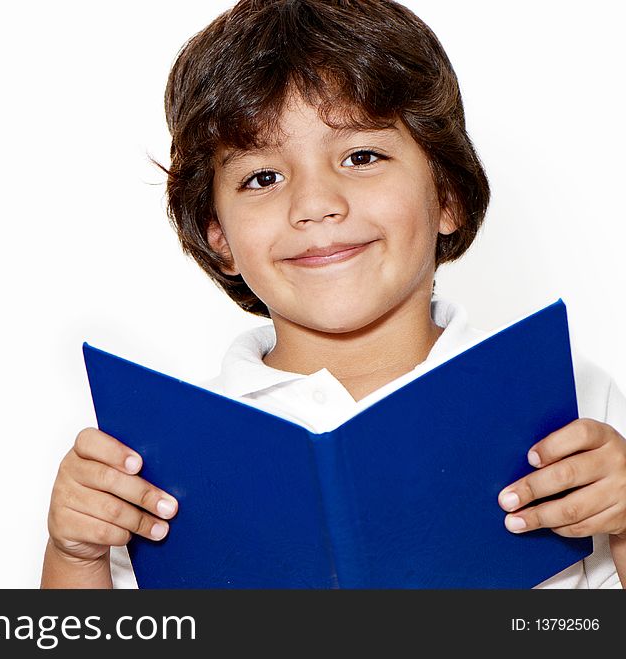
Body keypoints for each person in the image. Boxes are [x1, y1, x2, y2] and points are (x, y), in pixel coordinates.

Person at [40, 0, 626, 589]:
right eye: (262, 177)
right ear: (219, 236)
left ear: (446, 194)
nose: (315, 203)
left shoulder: (569, 404)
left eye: (362, 156)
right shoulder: (160, 454)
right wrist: (75, 557)